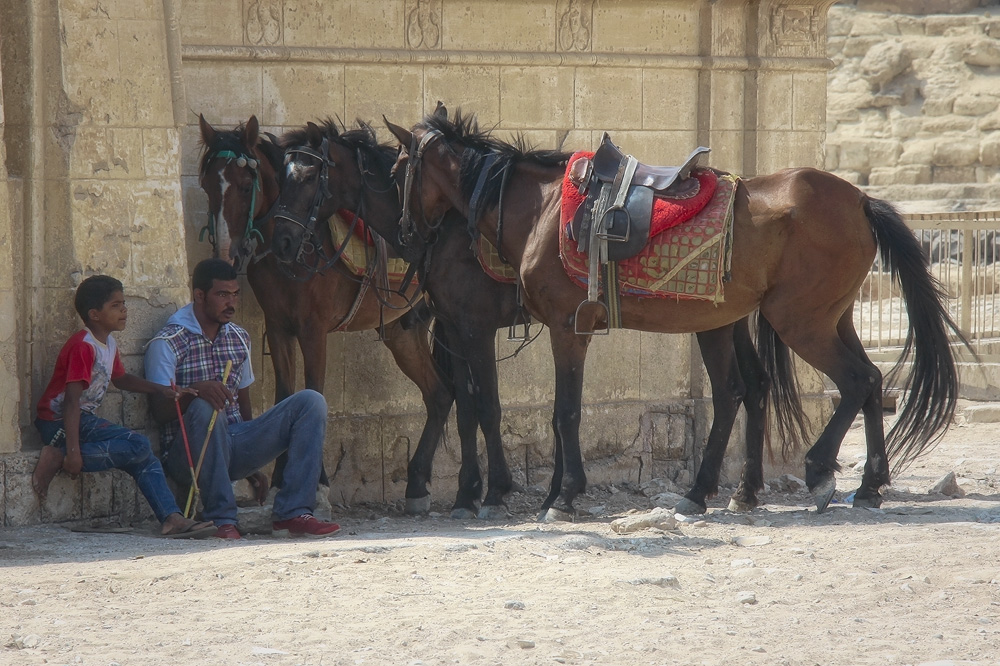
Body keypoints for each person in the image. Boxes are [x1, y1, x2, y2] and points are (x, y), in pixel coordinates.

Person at [144, 258, 340, 540]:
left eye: (235, 294)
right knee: (205, 406)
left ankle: (293, 512)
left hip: (235, 442)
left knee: (311, 401)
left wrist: (253, 468)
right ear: (199, 296)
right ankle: (221, 517)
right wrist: (195, 392)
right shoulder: (168, 342)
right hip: (189, 456)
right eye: (222, 295)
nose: (231, 303)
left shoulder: (238, 337)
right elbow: (160, 412)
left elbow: (243, 404)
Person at [32, 275, 215, 539]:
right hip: (58, 423)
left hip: (81, 420)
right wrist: (72, 453)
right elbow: (71, 402)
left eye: (124, 303)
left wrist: (162, 389)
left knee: (141, 455)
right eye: (116, 306)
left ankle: (172, 518)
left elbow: (121, 379)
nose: (124, 310)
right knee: (139, 445)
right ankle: (57, 456)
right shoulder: (83, 346)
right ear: (94, 314)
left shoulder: (109, 343)